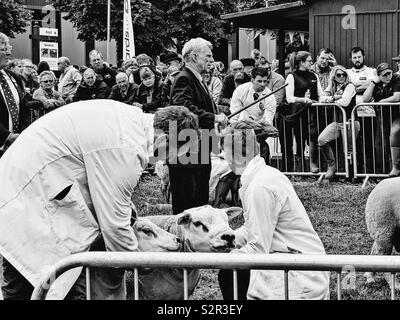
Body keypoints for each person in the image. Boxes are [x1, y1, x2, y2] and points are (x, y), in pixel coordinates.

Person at [0, 100, 192, 300]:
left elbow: (109, 189)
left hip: (26, 184)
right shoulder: (126, 147)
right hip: (32, 199)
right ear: (164, 139)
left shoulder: (130, 120)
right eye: (170, 153)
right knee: (59, 286)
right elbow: (114, 225)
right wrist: (138, 262)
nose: (163, 160)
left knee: (26, 283)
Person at [218, 120, 330, 300]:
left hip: (296, 276)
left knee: (229, 274)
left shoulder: (259, 187)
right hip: (296, 264)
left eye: (226, 153)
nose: (225, 159)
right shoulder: (265, 175)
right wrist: (222, 240)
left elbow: (257, 248)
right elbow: (252, 228)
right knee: (229, 275)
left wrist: (221, 259)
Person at [169, 37, 228, 215]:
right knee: (188, 202)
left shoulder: (196, 78)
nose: (211, 60)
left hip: (197, 147)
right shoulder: (184, 78)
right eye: (208, 56)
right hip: (186, 150)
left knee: (199, 197)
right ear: (194, 57)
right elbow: (184, 108)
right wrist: (214, 117)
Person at [280, 51, 324, 173]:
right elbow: (289, 98)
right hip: (297, 115)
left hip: (312, 114)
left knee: (312, 140)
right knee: (299, 142)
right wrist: (303, 99)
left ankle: (311, 167)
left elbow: (320, 94)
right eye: (309, 61)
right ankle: (299, 170)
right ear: (301, 62)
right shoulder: (291, 76)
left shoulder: (314, 75)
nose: (311, 63)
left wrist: (326, 99)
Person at [230, 67, 277, 165]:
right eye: (259, 81)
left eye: (265, 81)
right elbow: (234, 118)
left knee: (263, 152)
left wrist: (255, 127)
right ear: (252, 80)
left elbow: (267, 123)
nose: (263, 84)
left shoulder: (270, 97)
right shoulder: (240, 91)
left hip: (259, 134)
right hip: (240, 132)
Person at [318, 66, 358, 180]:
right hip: (338, 122)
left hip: (351, 121)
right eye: (338, 75)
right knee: (321, 139)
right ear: (334, 77)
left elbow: (345, 102)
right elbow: (321, 98)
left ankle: (352, 176)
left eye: (343, 74)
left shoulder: (350, 86)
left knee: (349, 149)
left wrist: (331, 99)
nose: (341, 77)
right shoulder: (333, 86)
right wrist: (334, 97)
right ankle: (332, 165)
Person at [363, 62, 400, 176]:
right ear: (379, 76)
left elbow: (397, 96)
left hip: (397, 116)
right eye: (384, 75)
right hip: (383, 119)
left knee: (394, 135)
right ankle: (391, 172)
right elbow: (365, 99)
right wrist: (373, 83)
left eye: (389, 73)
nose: (388, 76)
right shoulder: (377, 84)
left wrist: (380, 102)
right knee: (386, 145)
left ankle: (396, 168)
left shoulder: (396, 79)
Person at [0, 32, 29, 157]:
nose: (8, 53)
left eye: (9, 49)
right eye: (3, 49)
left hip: (16, 148)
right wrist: (7, 137)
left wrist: (22, 134)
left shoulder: (15, 78)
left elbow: (25, 108)